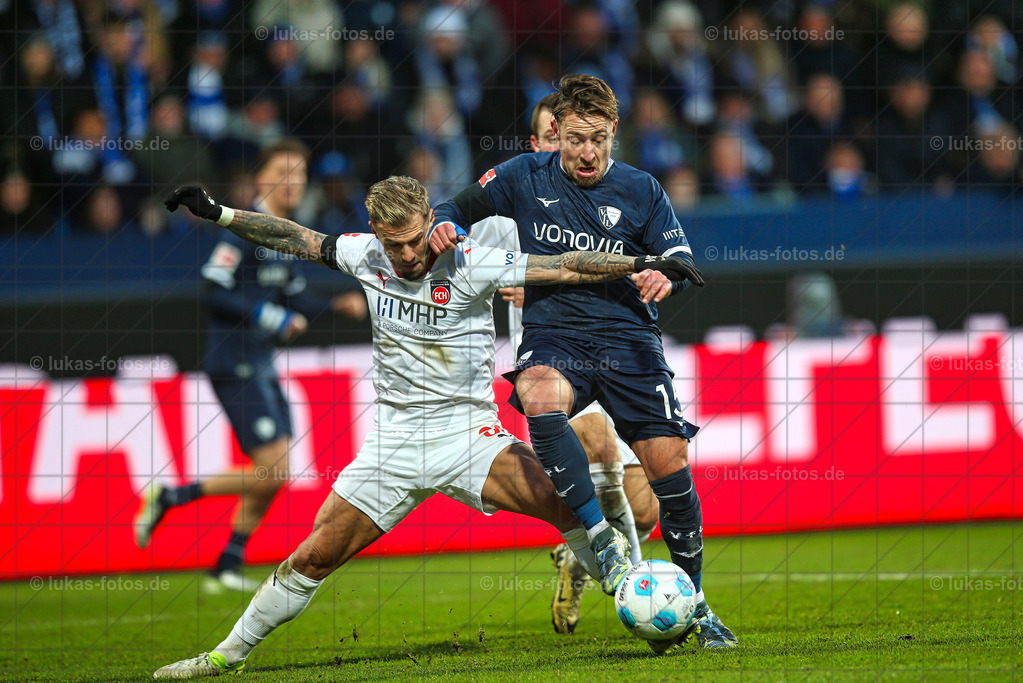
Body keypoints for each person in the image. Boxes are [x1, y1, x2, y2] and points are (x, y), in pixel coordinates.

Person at [153, 175, 696, 677]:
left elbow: (567, 265)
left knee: (573, 507)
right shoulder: (364, 256)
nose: (408, 255)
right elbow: (295, 236)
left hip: (467, 437)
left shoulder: (472, 260)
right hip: (393, 444)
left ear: (430, 220)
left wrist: (646, 261)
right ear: (377, 236)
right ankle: (224, 657)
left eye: (415, 241)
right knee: (314, 555)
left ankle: (636, 592)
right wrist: (220, 213)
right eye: (395, 245)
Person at [429, 73, 737, 650]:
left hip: (628, 341)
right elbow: (457, 203)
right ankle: (599, 538)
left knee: (669, 477)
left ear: (614, 132)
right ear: (557, 134)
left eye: (597, 138)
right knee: (538, 394)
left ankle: (696, 605)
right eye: (574, 139)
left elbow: (679, 256)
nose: (586, 152)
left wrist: (663, 274)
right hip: (555, 334)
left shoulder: (642, 188)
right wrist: (445, 220)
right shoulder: (523, 175)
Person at [134, 139, 368, 593]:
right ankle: (170, 497)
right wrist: (267, 315)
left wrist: (336, 302)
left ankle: (226, 562)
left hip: (260, 360)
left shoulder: (282, 235)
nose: (293, 182)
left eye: (299, 174)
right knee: (273, 468)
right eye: (283, 172)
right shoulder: (238, 230)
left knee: (275, 470)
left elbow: (293, 295)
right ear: (260, 179)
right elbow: (212, 288)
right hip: (233, 361)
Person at [470, 92, 660, 635]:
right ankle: (634, 588)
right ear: (538, 144)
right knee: (598, 445)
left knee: (643, 513)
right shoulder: (506, 209)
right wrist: (501, 282)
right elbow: (457, 278)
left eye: (584, 138)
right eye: (558, 138)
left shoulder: (614, 197)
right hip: (557, 363)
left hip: (618, 356)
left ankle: (578, 562)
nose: (573, 149)